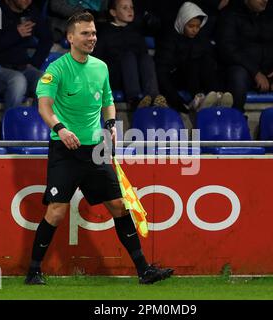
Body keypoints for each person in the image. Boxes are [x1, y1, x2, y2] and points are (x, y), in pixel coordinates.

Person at [25, 11, 174, 285]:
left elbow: (107, 100)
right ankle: (34, 271)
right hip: (65, 150)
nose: (91, 37)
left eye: (93, 33)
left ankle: (144, 271)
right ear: (70, 37)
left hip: (97, 150)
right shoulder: (55, 70)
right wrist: (61, 129)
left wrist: (110, 124)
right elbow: (44, 106)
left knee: (119, 206)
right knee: (56, 211)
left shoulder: (101, 67)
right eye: (85, 33)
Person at [155, 1, 232, 113]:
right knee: (193, 63)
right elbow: (162, 71)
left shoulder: (201, 39)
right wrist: (175, 100)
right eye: (191, 26)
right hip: (176, 78)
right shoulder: (169, 39)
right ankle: (197, 100)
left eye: (198, 26)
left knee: (206, 60)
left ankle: (217, 96)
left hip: (196, 78)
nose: (195, 30)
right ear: (182, 22)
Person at [0, 0, 53, 110]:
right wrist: (15, 34)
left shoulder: (30, 11)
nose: (28, 0)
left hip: (22, 68)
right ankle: (9, 125)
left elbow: (47, 38)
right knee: (18, 80)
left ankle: (34, 124)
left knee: (46, 81)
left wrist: (34, 63)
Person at [216, 0, 273, 113]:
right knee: (238, 75)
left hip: (272, 72)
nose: (265, 0)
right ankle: (237, 121)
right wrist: (255, 72)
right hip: (246, 71)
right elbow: (227, 49)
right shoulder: (230, 14)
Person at [93, 0, 168, 109]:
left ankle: (153, 96)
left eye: (131, 7)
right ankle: (134, 99)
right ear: (113, 12)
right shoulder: (105, 32)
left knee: (146, 58)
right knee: (128, 56)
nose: (130, 10)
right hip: (115, 76)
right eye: (125, 8)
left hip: (136, 76)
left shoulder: (136, 32)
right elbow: (97, 59)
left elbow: (143, 58)